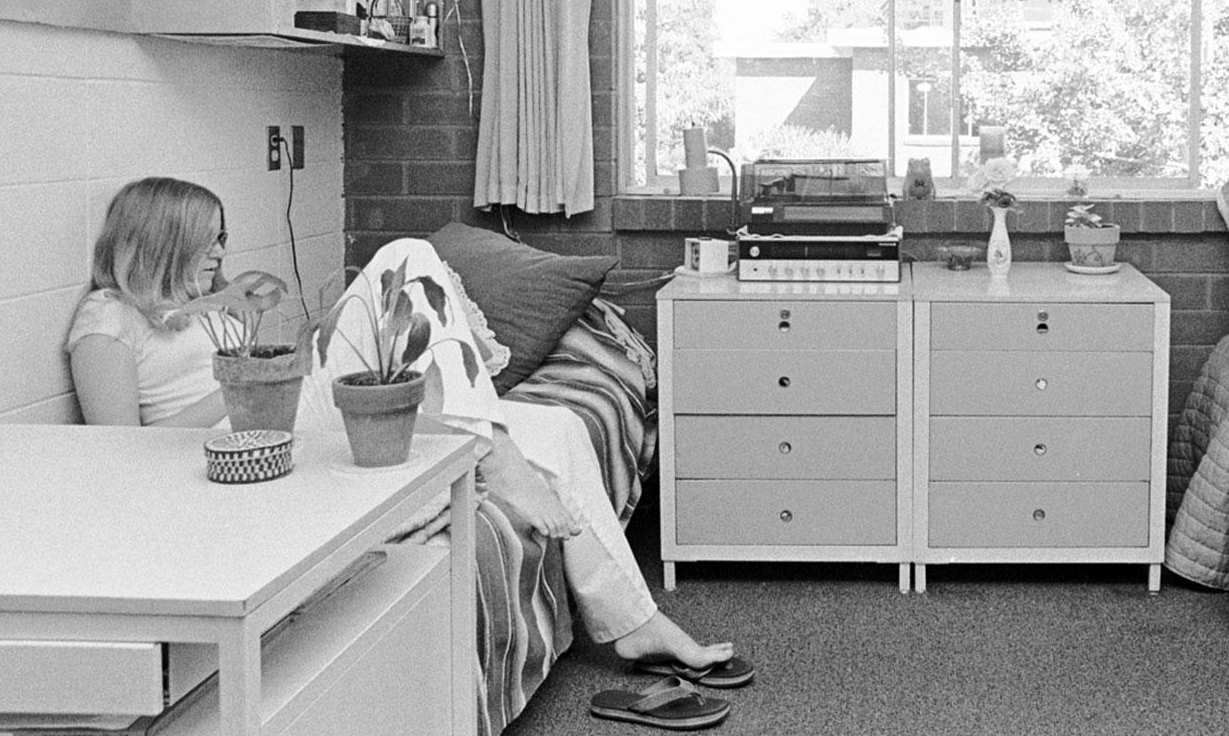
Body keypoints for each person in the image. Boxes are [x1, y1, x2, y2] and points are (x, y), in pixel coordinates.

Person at [67, 177, 745, 700]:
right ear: (159, 241)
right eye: (206, 239)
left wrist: (276, 362)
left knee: (557, 426)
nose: (220, 253)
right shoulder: (107, 321)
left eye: (221, 237)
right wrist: (247, 383)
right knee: (404, 257)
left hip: (278, 419)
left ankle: (633, 622)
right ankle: (487, 430)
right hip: (234, 440)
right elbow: (118, 455)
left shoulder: (201, 309)